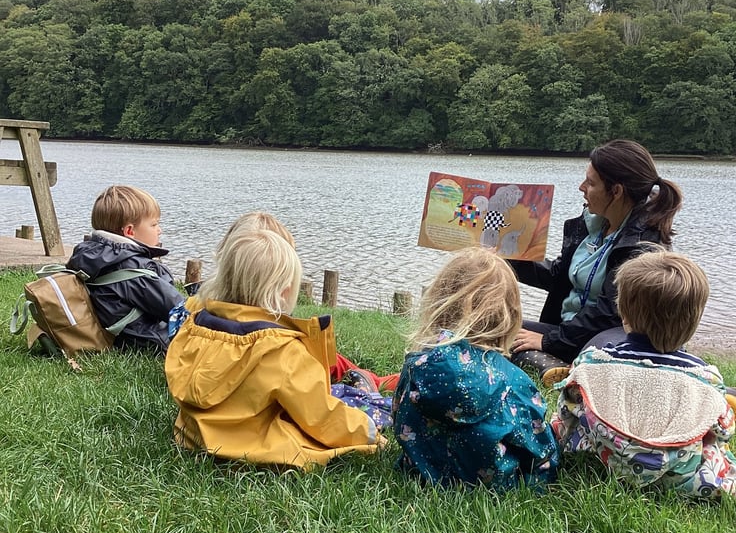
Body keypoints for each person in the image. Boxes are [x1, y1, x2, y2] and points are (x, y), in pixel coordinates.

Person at [164, 224, 382, 468]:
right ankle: (370, 399)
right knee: (360, 406)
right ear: (284, 291)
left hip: (193, 437)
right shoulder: (281, 350)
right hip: (257, 448)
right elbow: (319, 415)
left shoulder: (192, 329)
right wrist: (369, 432)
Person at [551, 251, 736, 499]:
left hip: (603, 462)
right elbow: (722, 429)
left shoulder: (592, 363)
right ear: (694, 322)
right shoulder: (705, 378)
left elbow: (567, 410)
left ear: (623, 313)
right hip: (678, 477)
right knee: (714, 437)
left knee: (573, 407)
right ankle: (734, 401)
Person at [507, 139, 683, 375]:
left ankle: (567, 368)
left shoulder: (643, 247)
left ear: (617, 191)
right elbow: (560, 277)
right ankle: (559, 367)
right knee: (498, 329)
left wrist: (550, 341)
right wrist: (507, 255)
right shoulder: (592, 224)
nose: (581, 187)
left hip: (612, 335)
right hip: (571, 329)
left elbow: (609, 313)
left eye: (590, 183)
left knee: (598, 350)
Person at [393, 247, 559, 492]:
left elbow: (398, 417)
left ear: (441, 302)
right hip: (495, 487)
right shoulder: (514, 381)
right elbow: (540, 451)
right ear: (510, 314)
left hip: (420, 474)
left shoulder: (415, 365)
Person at [213, 211, 400, 393]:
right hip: (307, 392)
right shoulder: (281, 348)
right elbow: (316, 410)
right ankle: (396, 381)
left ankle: (381, 380)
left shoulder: (201, 319)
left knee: (343, 366)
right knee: (351, 373)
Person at [66, 185, 185, 354]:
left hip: (117, 334)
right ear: (130, 231)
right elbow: (177, 309)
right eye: (154, 224)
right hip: (146, 340)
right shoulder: (136, 269)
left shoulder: (90, 256)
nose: (160, 230)